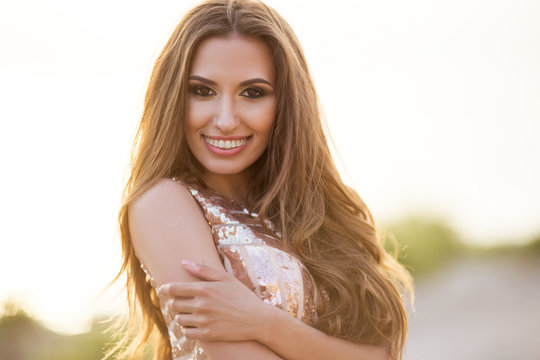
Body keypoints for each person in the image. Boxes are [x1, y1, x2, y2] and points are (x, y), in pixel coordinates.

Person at [111, 0, 413, 359]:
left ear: (285, 104)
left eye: (252, 93)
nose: (225, 119)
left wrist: (262, 322)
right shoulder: (163, 205)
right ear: (173, 97)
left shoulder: (318, 213)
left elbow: (382, 353)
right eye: (203, 91)